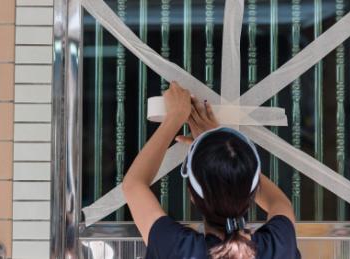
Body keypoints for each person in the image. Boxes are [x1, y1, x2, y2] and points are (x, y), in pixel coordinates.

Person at [122, 81, 301, 259]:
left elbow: (133, 184)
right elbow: (280, 202)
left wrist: (176, 116)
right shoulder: (279, 245)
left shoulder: (177, 248)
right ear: (252, 192)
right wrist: (220, 142)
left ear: (192, 196)